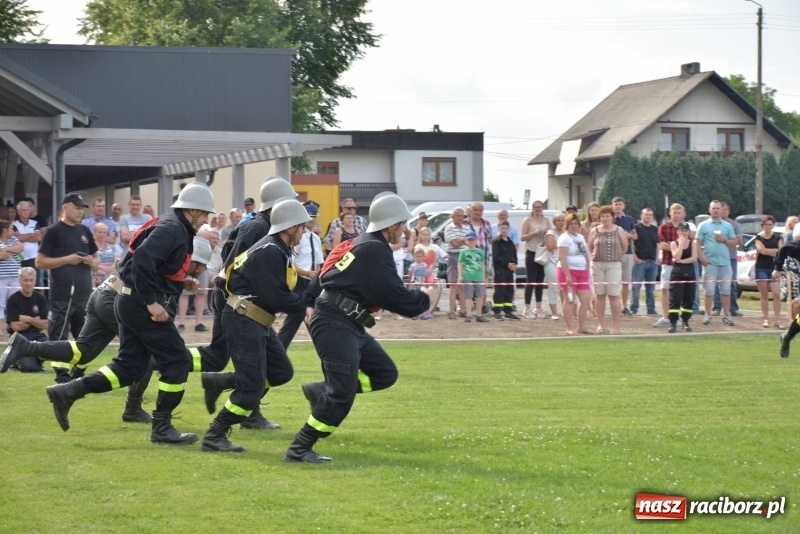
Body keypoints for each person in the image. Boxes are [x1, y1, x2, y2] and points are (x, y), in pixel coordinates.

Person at [42, 182, 216, 445]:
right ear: (192, 210)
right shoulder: (174, 229)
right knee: (178, 360)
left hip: (129, 300)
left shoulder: (171, 225)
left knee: (129, 367)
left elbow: (154, 266)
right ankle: (162, 427)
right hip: (138, 303)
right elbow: (144, 260)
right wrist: (150, 302)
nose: (205, 221)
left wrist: (180, 284)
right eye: (204, 214)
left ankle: (68, 391)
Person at [284, 193, 431, 463]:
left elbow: (325, 273)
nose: (404, 229)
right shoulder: (376, 249)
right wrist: (424, 298)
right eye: (401, 223)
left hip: (343, 320)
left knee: (384, 373)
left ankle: (321, 391)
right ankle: (300, 447)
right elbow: (395, 296)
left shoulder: (359, 243)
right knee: (340, 395)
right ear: (389, 225)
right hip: (336, 322)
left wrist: (309, 300)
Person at [1, 238, 215, 423]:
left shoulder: (169, 260)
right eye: (201, 266)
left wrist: (180, 285)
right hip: (116, 299)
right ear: (193, 261)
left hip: (104, 294)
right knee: (145, 353)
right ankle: (132, 409)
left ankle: (26, 346)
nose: (202, 271)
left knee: (84, 350)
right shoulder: (170, 262)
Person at [201, 198, 310, 453]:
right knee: (251, 389)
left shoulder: (277, 248)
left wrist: (316, 292)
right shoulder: (271, 250)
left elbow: (286, 288)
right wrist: (307, 305)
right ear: (291, 227)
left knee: (281, 372)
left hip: (254, 319)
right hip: (244, 319)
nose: (305, 231)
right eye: (303, 227)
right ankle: (215, 434)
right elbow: (277, 296)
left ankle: (222, 381)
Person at [36, 193, 99, 383]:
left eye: (82, 208)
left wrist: (91, 261)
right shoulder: (54, 231)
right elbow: (40, 262)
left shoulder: (84, 231)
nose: (80, 211)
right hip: (62, 294)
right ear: (65, 207)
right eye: (77, 207)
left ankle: (79, 372)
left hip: (84, 294)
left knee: (85, 336)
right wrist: (67, 260)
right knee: (59, 336)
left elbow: (97, 261)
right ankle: (61, 375)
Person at [277, 203, 324, 348]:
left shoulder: (315, 239)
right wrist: (308, 273)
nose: (312, 219)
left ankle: (275, 353)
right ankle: (329, 354)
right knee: (311, 323)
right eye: (309, 216)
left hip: (311, 285)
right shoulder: (297, 237)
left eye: (315, 216)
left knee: (298, 324)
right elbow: (290, 264)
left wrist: (316, 279)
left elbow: (318, 264)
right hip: (298, 283)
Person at [588, 205, 627, 334]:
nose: (605, 218)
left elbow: (624, 247)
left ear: (612, 217)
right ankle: (601, 325)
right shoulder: (594, 230)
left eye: (607, 216)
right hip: (597, 264)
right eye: (602, 216)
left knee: (613, 295)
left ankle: (616, 326)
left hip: (613, 264)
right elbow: (590, 246)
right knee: (600, 296)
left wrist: (616, 257)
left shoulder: (619, 230)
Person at [696, 200, 736, 326]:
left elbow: (734, 242)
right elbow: (697, 243)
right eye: (713, 208)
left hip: (725, 263)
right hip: (710, 263)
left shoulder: (727, 226)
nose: (716, 210)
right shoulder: (703, 225)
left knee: (726, 291)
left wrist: (724, 240)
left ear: (721, 210)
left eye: (718, 208)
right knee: (709, 291)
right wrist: (701, 258)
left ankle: (727, 315)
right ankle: (707, 315)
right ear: (709, 210)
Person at [2, 267, 48, 372]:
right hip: (19, 338)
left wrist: (28, 319)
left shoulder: (41, 298)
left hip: (37, 336)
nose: (28, 283)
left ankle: (29, 360)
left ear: (35, 281)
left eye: (31, 280)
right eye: (25, 280)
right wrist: (36, 321)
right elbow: (15, 327)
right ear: (20, 281)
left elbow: (45, 325)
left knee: (52, 349)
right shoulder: (12, 300)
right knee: (30, 368)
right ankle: (16, 360)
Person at [557, 213, 591, 335]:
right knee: (569, 300)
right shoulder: (564, 238)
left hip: (582, 271)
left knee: (585, 299)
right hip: (568, 271)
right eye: (571, 223)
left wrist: (587, 268)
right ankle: (569, 327)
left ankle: (582, 326)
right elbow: (562, 257)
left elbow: (586, 254)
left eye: (576, 223)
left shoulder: (581, 237)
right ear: (567, 225)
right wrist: (567, 275)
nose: (574, 226)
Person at [654, 203, 687, 327]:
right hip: (667, 263)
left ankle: (676, 317)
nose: (677, 215)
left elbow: (687, 245)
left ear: (682, 214)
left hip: (681, 264)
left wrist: (672, 246)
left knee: (679, 292)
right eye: (674, 212)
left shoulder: (685, 228)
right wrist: (678, 248)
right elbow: (663, 245)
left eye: (679, 212)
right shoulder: (663, 227)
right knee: (665, 289)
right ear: (670, 213)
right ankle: (665, 316)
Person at [520, 200, 552, 319]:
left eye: (540, 207)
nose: (538, 209)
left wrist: (546, 232)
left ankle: (538, 307)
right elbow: (522, 237)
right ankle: (526, 307)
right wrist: (534, 233)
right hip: (532, 252)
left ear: (542, 208)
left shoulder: (546, 220)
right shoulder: (528, 220)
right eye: (536, 207)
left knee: (540, 280)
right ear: (533, 208)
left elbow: (551, 234)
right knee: (531, 280)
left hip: (542, 252)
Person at [711, 202, 743, 317]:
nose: (722, 211)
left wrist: (728, 239)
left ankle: (733, 308)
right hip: (717, 257)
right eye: (721, 209)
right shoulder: (715, 224)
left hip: (731, 257)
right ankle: (717, 308)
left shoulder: (734, 225)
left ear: (728, 211)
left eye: (725, 210)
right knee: (715, 284)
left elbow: (740, 241)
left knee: (732, 283)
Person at [667, 222, 698, 333]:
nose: (684, 233)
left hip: (689, 271)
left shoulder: (693, 243)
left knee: (689, 298)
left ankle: (685, 321)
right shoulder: (673, 243)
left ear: (688, 232)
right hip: (677, 272)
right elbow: (676, 256)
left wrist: (682, 261)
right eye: (682, 230)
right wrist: (681, 244)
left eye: (686, 230)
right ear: (678, 231)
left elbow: (694, 258)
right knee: (675, 298)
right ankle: (673, 323)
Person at [755, 215, 783, 328]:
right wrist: (774, 251)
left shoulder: (778, 238)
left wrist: (771, 251)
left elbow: (781, 252)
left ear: (773, 225)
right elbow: (761, 250)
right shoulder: (759, 238)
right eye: (766, 224)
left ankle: (777, 320)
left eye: (770, 224)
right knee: (764, 295)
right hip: (761, 267)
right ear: (763, 225)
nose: (768, 226)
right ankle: (766, 319)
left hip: (774, 268)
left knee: (776, 294)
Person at [630, 208, 659, 315]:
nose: (648, 216)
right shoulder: (636, 228)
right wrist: (635, 258)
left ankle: (651, 309)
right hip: (639, 262)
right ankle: (634, 309)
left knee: (651, 289)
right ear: (641, 216)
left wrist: (657, 258)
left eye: (650, 215)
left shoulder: (655, 229)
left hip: (652, 263)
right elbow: (631, 243)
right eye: (646, 214)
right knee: (636, 288)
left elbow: (657, 244)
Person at [776, 233, 800, 357]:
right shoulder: (795, 246)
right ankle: (787, 338)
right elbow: (784, 248)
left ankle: (786, 336)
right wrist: (778, 268)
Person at [611, 197, 636, 316]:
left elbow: (636, 236)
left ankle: (624, 306)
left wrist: (629, 235)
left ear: (623, 206)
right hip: (613, 254)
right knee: (613, 282)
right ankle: (614, 306)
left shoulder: (629, 219)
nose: (618, 206)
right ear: (612, 206)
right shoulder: (609, 219)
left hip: (628, 253)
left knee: (625, 282)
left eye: (620, 204)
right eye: (616, 204)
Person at [458, 231, 489, 323]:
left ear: (476, 240)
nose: (471, 242)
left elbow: (483, 264)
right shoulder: (463, 252)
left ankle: (479, 315)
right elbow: (460, 264)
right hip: (467, 276)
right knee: (468, 296)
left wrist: (484, 277)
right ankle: (468, 315)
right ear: (466, 241)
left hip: (478, 276)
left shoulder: (480, 252)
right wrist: (460, 276)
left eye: (473, 240)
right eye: (469, 240)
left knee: (480, 296)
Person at [491, 221, 519, 320]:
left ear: (509, 229)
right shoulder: (496, 241)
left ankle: (508, 310)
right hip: (500, 270)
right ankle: (497, 311)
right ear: (499, 229)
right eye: (502, 228)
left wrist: (514, 264)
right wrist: (507, 264)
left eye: (506, 228)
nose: (504, 230)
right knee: (500, 290)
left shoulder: (510, 241)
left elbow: (514, 255)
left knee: (509, 290)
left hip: (509, 271)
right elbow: (496, 257)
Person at [444, 207, 468, 319]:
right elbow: (454, 244)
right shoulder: (448, 228)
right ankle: (452, 311)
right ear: (453, 217)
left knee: (463, 285)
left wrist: (461, 240)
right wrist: (463, 240)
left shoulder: (467, 228)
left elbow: (470, 243)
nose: (460, 218)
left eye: (462, 216)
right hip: (453, 257)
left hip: (465, 257)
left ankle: (463, 310)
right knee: (453, 285)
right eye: (458, 216)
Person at [0, 221, 23, 331]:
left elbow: (20, 248)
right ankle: (0, 329)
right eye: (11, 229)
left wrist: (6, 249)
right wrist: (12, 250)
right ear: (5, 230)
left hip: (15, 276)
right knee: (1, 304)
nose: (13, 231)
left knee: (14, 302)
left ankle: (13, 327)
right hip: (1, 277)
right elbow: (1, 256)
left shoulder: (13, 239)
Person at [544, 212, 565, 319]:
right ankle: (554, 313)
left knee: (565, 288)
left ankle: (565, 311)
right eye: (559, 220)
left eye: (562, 220)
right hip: (552, 262)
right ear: (554, 222)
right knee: (553, 287)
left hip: (565, 263)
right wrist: (563, 240)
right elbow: (550, 246)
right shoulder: (550, 233)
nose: (561, 222)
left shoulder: (567, 232)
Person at [13, 200, 41, 273]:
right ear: (19, 212)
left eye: (28, 210)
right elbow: (17, 238)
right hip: (20, 257)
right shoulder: (14, 224)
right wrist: (31, 234)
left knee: (36, 281)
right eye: (23, 210)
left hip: (34, 257)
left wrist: (22, 237)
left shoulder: (35, 223)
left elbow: (38, 238)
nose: (26, 212)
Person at [92, 222, 122, 286]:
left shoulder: (112, 247)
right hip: (95, 277)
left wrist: (108, 270)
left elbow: (117, 261)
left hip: (111, 277)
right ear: (94, 232)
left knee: (119, 289)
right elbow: (90, 262)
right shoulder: (90, 247)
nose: (102, 234)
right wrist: (97, 271)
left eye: (104, 232)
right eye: (100, 232)